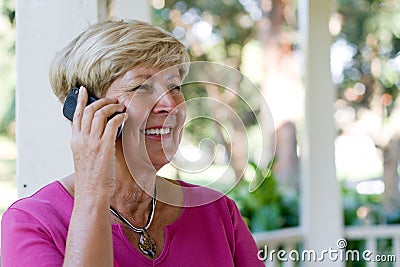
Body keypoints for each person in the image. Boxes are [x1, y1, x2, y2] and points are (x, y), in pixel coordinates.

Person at [1, 20, 263, 266]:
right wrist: (93, 185)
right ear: (86, 108)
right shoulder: (32, 223)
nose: (170, 105)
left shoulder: (217, 210)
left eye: (174, 87)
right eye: (142, 88)